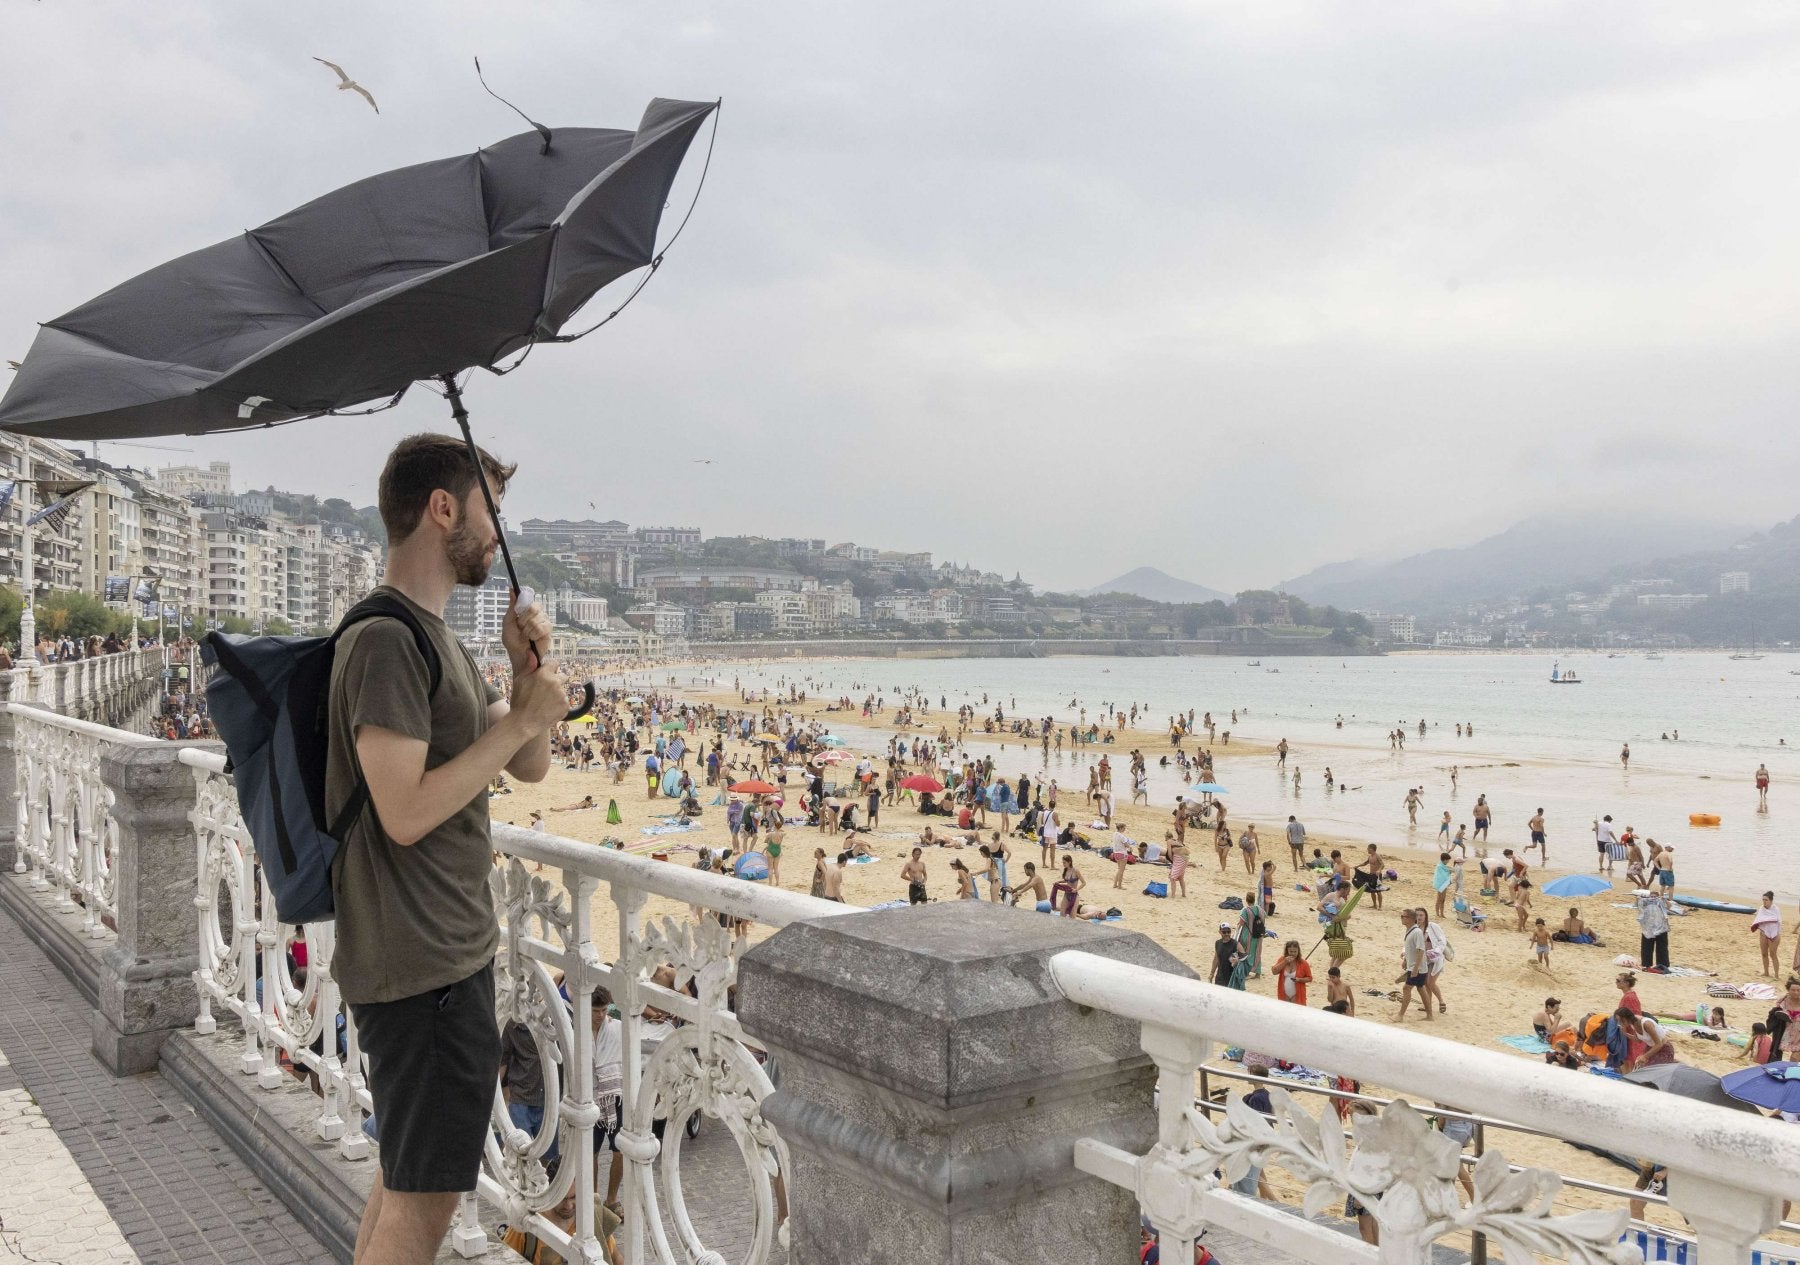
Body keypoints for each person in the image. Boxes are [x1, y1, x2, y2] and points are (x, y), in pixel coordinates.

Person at [328, 434, 566, 1265]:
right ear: (442, 508)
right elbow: (403, 809)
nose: (498, 534)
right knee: (422, 1207)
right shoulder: (388, 640)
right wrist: (519, 721)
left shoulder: (438, 638)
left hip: (441, 956)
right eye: (490, 510)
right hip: (420, 967)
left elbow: (527, 762)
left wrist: (521, 671)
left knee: (407, 1183)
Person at [1395, 909, 1433, 1023]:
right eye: (1401, 916)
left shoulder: (1416, 932)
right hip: (1415, 967)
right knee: (1421, 989)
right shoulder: (1410, 930)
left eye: (1404, 916)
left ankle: (1400, 1016)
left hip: (1418, 968)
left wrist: (1415, 968)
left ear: (1411, 919)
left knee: (1406, 988)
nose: (1401, 918)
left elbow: (1421, 951)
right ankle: (1430, 1016)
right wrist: (1406, 960)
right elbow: (1410, 948)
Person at [1636, 888, 1671, 972]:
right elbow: (1638, 906)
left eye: (1655, 896)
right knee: (1646, 946)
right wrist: (1638, 899)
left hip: (1661, 927)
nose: (1653, 898)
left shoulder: (1661, 902)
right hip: (1648, 927)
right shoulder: (1645, 902)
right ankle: (1646, 964)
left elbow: (1669, 906)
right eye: (1651, 896)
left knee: (1662, 947)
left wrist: (1664, 900)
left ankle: (1663, 964)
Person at [1753, 892, 1783, 976]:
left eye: (1766, 900)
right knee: (1764, 953)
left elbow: (1779, 922)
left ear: (1771, 901)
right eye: (1763, 900)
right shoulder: (1761, 908)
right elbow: (1758, 920)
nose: (1764, 901)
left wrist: (1774, 933)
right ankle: (1766, 972)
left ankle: (1776, 974)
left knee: (1773, 954)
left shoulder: (1776, 909)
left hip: (1774, 935)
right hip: (1763, 933)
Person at [1274, 940, 1312, 1005]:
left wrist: (1299, 979)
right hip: (1284, 994)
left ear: (1298, 951)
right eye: (1291, 951)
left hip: (1297, 994)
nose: (1293, 954)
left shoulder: (1303, 963)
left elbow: (1310, 978)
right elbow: (1274, 972)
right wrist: (1284, 962)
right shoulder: (1282, 959)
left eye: (1295, 952)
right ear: (1287, 951)